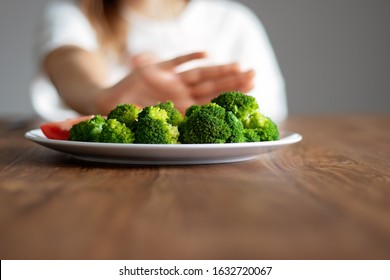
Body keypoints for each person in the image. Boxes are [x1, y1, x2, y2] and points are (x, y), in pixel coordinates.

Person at [31, 0, 288, 122]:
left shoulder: (233, 21)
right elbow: (67, 57)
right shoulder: (73, 12)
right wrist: (99, 96)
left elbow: (269, 115)